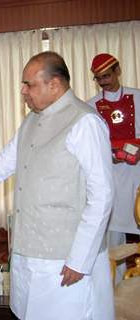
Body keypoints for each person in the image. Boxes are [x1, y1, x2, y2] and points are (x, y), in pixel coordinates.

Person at [0, 51, 115, 320]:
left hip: (65, 256)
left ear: (54, 84)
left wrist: (80, 258)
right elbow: (1, 165)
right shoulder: (32, 119)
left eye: (29, 84)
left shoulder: (85, 122)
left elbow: (102, 195)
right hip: (28, 248)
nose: (23, 91)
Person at [87, 53, 140, 281]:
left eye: (107, 76)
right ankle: (115, 286)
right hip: (111, 173)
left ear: (117, 71)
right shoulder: (91, 106)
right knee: (113, 232)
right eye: (99, 78)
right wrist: (110, 155)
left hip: (138, 171)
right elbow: (91, 144)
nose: (104, 82)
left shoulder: (138, 97)